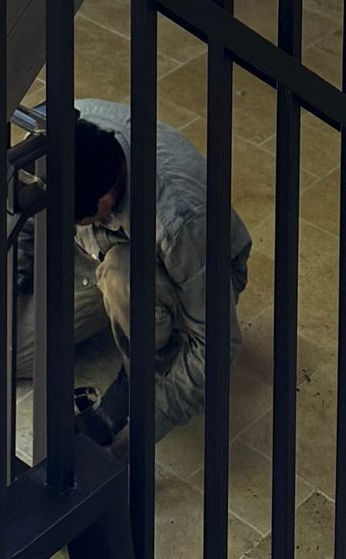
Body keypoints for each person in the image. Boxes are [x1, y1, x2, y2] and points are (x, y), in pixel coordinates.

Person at [69, 99, 252, 446]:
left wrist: (141, 433)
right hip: (94, 255)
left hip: (179, 274)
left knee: (122, 277)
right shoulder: (71, 130)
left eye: (77, 218)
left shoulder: (180, 220)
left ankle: (139, 376)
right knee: (12, 350)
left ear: (105, 202)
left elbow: (217, 344)